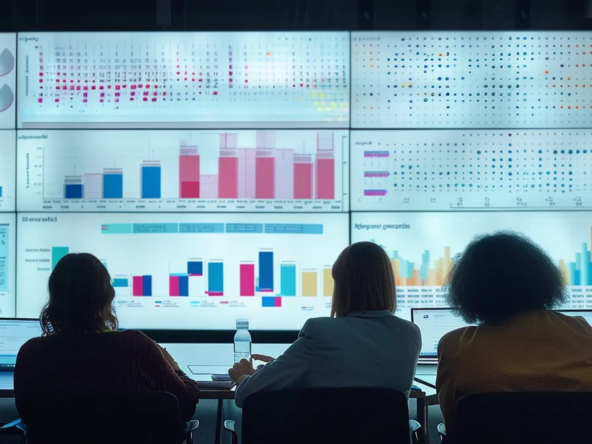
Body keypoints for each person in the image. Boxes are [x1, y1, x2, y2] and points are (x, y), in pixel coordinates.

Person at [228, 241, 422, 407]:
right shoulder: (410, 334)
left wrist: (244, 377)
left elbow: (247, 395)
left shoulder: (320, 331)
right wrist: (279, 368)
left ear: (342, 286)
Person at [15, 253, 200, 421]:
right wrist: (175, 368)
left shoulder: (31, 353)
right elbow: (186, 404)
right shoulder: (135, 346)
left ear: (54, 298)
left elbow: (26, 414)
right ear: (106, 297)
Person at [437, 232, 592, 432]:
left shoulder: (455, 345)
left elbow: (453, 423)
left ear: (468, 289)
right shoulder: (583, 332)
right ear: (542, 277)